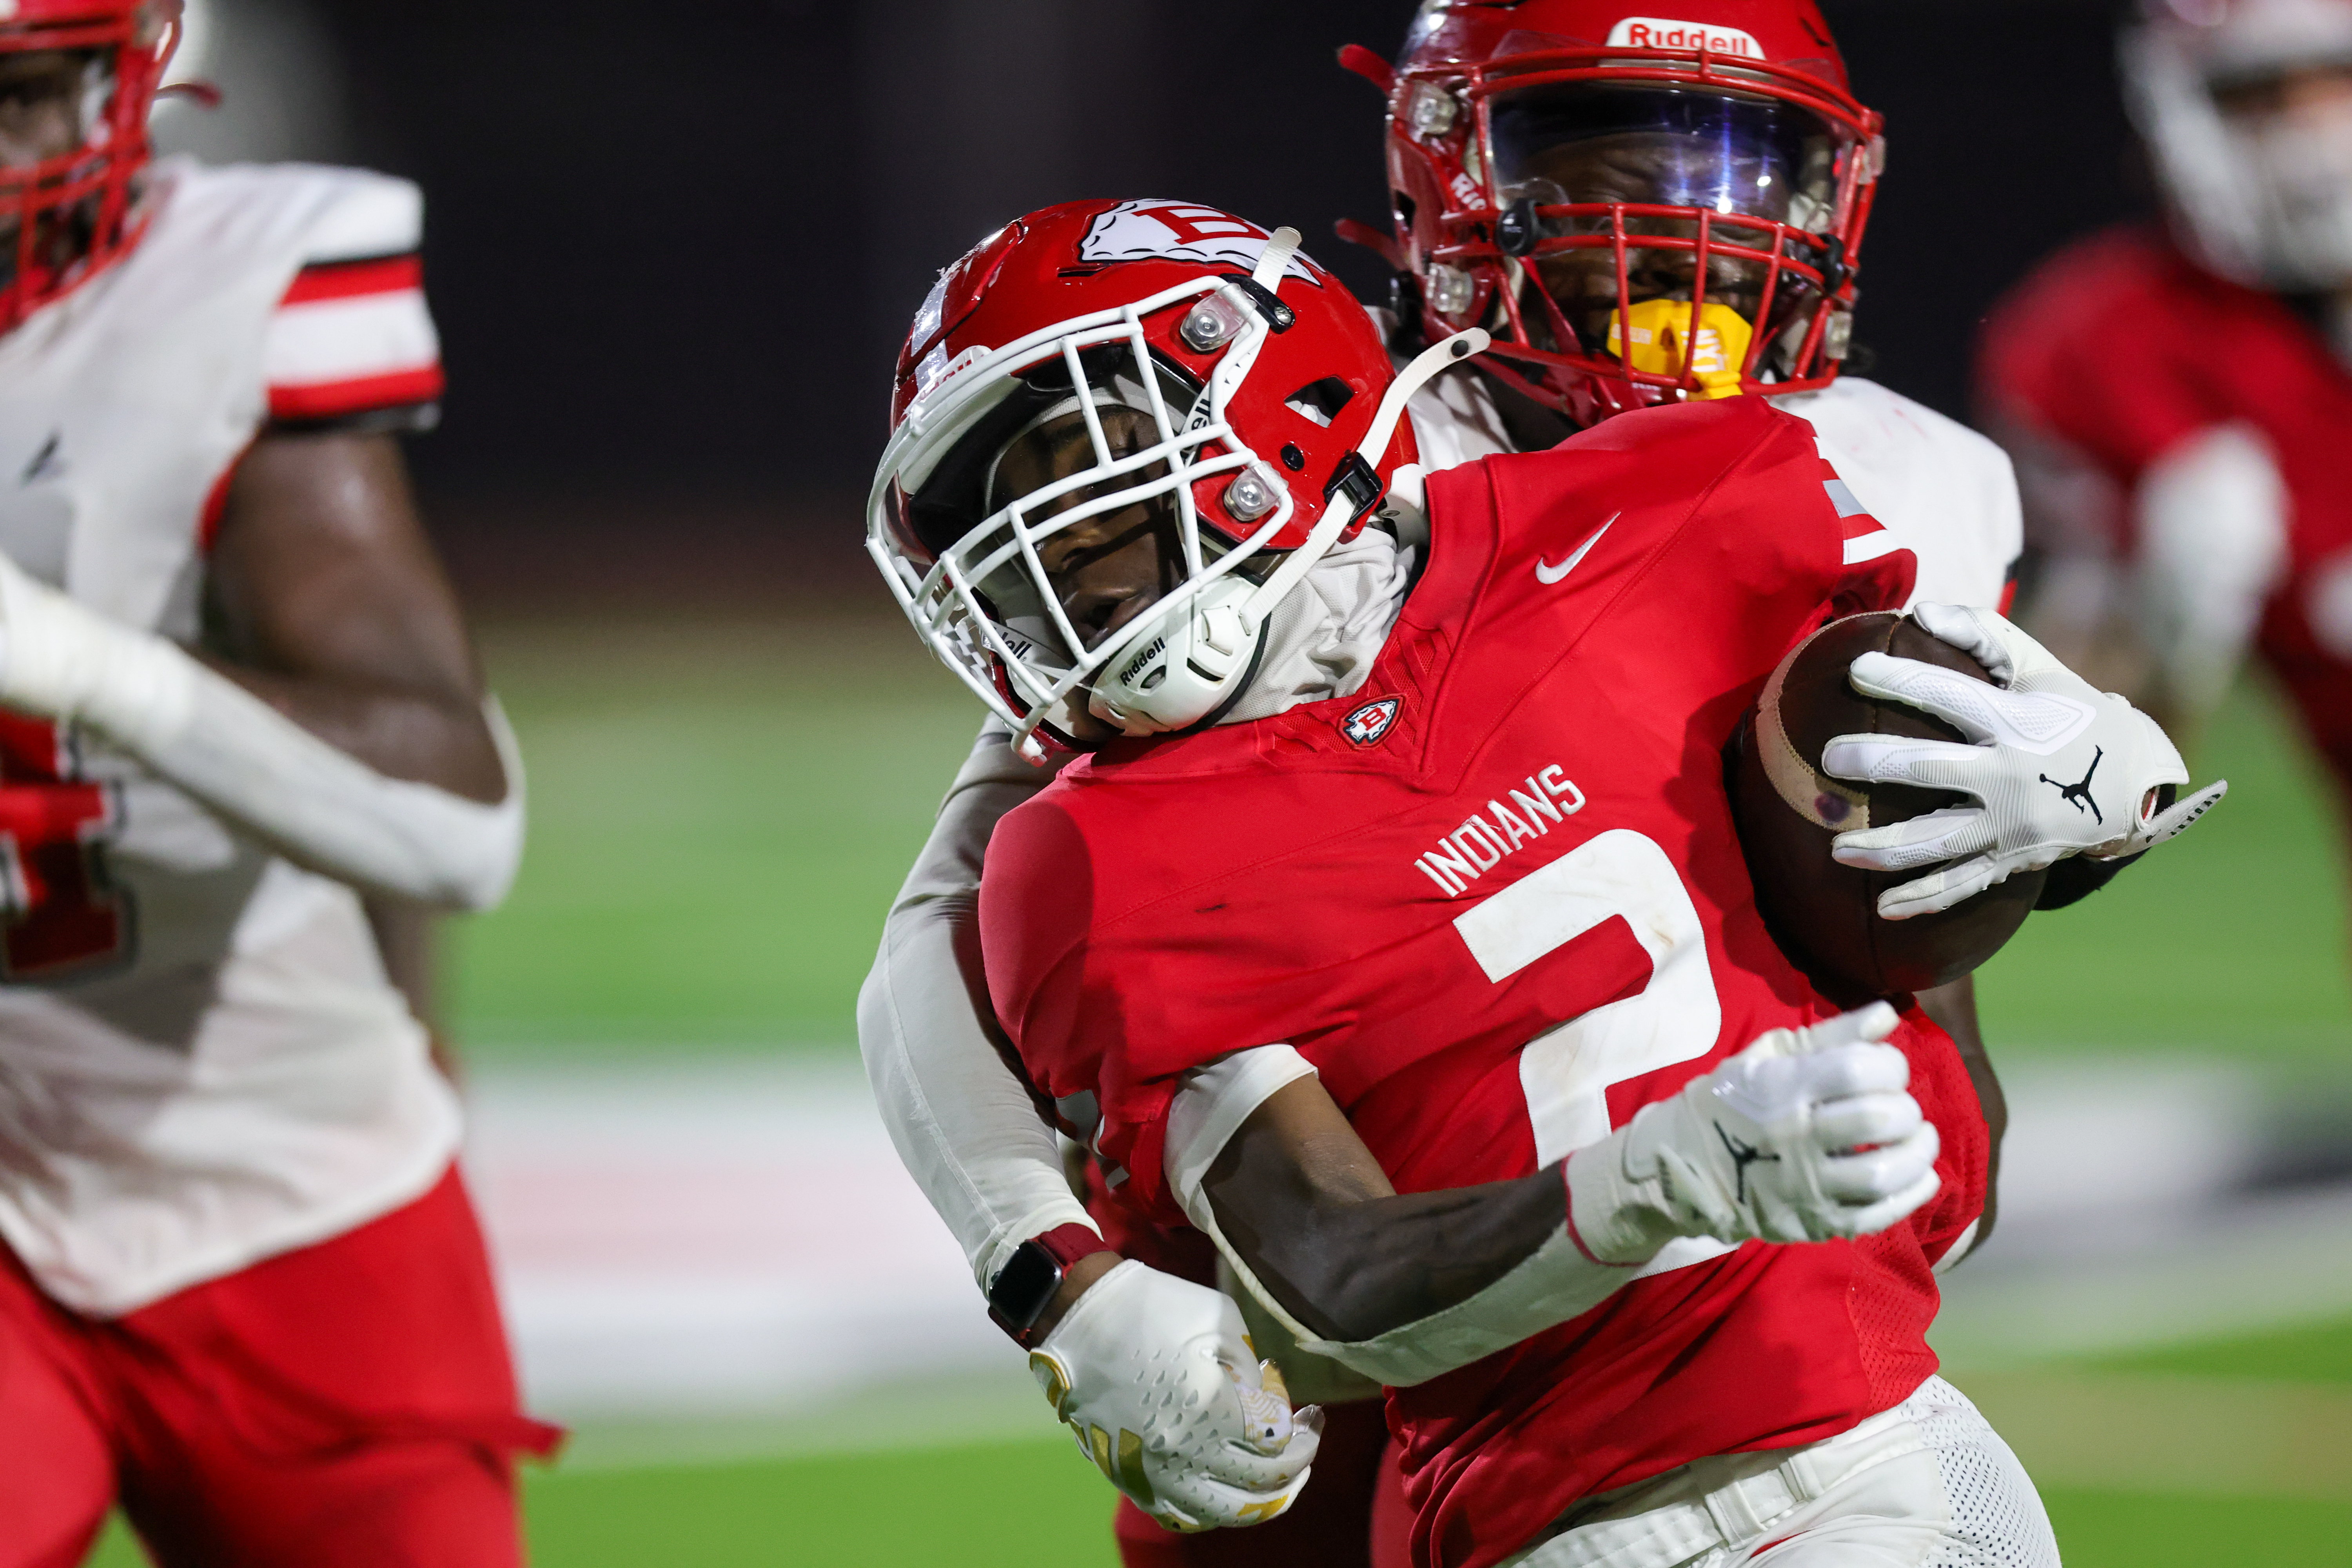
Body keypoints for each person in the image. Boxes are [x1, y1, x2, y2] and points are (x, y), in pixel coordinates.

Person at [858, 7, 2091, 1560]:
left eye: (1738, 160)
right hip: (1340, 1282)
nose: (1686, 226)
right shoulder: (1309, 471)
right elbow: (942, 940)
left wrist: (2061, 818)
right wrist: (1059, 1277)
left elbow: (1895, 968)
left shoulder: (1896, 476)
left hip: (1727, 1309)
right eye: (1604, 161)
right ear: (1450, 172)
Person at [0, 5, 555, 1564]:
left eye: (28, 93)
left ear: (123, 76)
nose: (7, 155)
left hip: (284, 1172)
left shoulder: (225, 293)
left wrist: (74, 659)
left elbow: (450, 815)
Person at [1980, 0, 2352, 802]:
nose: (2315, 132)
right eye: (2259, 94)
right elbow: (2062, 789)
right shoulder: (2110, 342)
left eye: (2340, 83)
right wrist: (2161, 631)